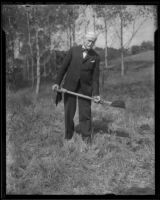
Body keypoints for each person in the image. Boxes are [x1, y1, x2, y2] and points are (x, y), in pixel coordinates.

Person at [52, 31, 101, 146]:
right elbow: (63, 68)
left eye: (93, 42)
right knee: (69, 112)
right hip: (69, 87)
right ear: (84, 39)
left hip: (85, 89)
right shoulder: (73, 51)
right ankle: (69, 135)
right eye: (89, 41)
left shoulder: (96, 56)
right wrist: (57, 83)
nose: (90, 43)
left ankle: (87, 138)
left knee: (85, 113)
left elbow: (95, 78)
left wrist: (96, 94)